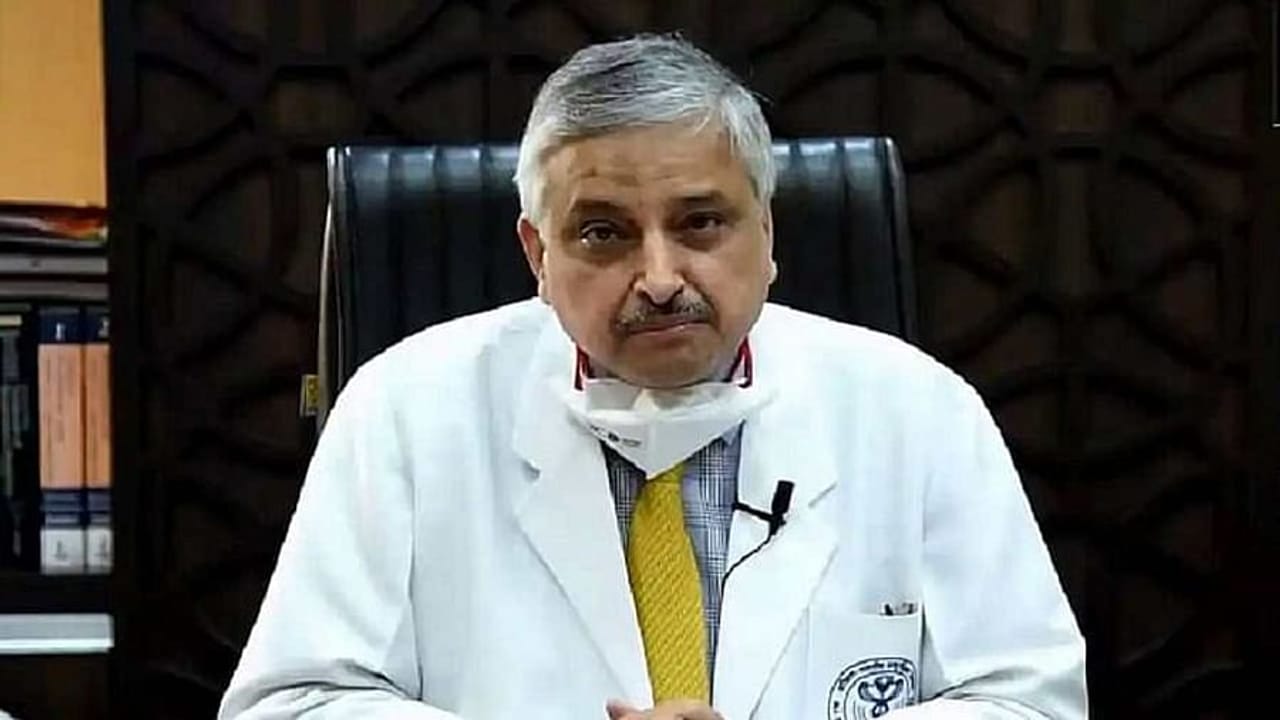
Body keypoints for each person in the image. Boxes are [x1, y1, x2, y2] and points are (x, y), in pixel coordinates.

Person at [219, 34, 1087, 720]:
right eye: (603, 233)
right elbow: (290, 704)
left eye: (701, 222)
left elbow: (1028, 701)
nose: (661, 278)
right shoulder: (405, 412)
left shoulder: (917, 410)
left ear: (766, 233)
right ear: (538, 254)